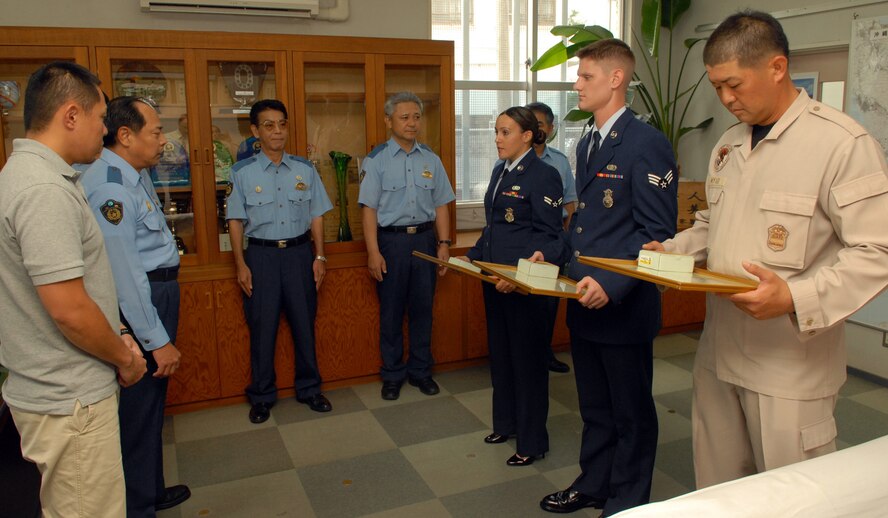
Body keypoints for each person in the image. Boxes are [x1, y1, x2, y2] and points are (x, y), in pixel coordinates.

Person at [645, 10, 888, 489]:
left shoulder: (841, 143)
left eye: (734, 84)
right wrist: (671, 251)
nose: (725, 99)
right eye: (716, 87)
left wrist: (795, 299)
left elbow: (877, 249)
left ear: (777, 68)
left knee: (792, 494)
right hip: (719, 352)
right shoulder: (730, 143)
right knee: (719, 488)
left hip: (789, 365)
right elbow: (715, 223)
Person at [0, 61, 146, 517]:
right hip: (71, 400)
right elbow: (68, 310)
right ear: (70, 116)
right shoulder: (42, 190)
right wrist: (124, 356)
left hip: (60, 389)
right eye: (101, 117)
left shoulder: (29, 175)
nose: (105, 131)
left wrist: (117, 330)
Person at [540, 39, 677, 516]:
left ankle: (628, 499)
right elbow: (585, 226)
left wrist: (613, 284)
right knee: (594, 407)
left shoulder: (646, 143)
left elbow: (658, 233)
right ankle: (594, 483)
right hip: (583, 298)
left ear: (616, 79)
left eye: (586, 77)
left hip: (624, 303)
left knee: (630, 411)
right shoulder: (589, 141)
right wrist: (553, 259)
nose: (577, 85)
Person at [81, 96, 191, 516]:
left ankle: (150, 489)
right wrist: (156, 340)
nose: (164, 140)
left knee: (151, 407)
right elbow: (123, 275)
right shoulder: (110, 186)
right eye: (157, 131)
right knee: (139, 408)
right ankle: (137, 504)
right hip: (141, 302)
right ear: (125, 136)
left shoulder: (133, 174)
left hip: (156, 291)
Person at [463, 106, 567, 467]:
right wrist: (472, 256)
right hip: (494, 280)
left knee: (527, 363)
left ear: (527, 136)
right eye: (495, 131)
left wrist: (521, 273)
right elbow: (494, 227)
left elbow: (552, 238)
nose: (497, 139)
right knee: (502, 357)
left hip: (522, 286)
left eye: (505, 132)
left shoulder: (545, 175)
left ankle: (532, 441)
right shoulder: (499, 171)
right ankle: (505, 424)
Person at [226, 98, 334, 423]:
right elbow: (234, 220)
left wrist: (319, 255)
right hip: (261, 257)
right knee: (263, 328)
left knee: (304, 324)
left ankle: (310, 388)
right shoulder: (242, 172)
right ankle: (261, 395)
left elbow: (316, 215)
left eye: (282, 124)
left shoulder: (304, 169)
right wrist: (240, 265)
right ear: (255, 131)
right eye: (269, 125)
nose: (277, 131)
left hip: (301, 255)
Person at [358, 92, 455, 401]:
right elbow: (369, 210)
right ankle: (392, 374)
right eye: (404, 117)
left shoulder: (431, 158)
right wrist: (373, 252)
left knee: (423, 309)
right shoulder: (376, 161)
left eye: (416, 117)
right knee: (391, 312)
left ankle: (421, 371)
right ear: (389, 121)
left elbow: (441, 205)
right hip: (392, 242)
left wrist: (444, 243)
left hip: (425, 239)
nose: (412, 123)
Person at [525, 101, 577, 374]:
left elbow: (570, 203)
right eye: (530, 124)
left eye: (540, 125)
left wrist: (564, 240)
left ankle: (544, 353)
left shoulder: (559, 161)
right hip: (524, 239)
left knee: (548, 303)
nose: (535, 130)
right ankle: (525, 356)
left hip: (553, 241)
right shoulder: (510, 160)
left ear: (551, 129)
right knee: (524, 302)